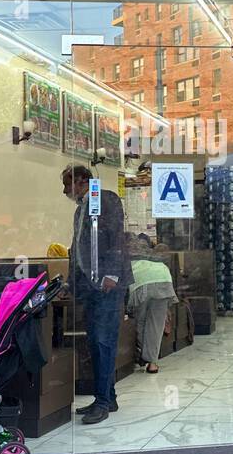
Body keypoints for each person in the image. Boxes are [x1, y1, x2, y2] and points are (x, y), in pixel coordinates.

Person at [61, 164, 131, 424]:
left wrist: (111, 274)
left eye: (67, 184)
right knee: (96, 341)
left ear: (81, 181)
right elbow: (77, 248)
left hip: (107, 284)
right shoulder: (82, 209)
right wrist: (71, 282)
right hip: (90, 286)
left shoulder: (106, 199)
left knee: (103, 341)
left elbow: (116, 238)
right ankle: (107, 396)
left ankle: (102, 402)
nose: (64, 190)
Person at [128, 235, 176, 374]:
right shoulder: (152, 254)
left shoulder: (127, 255)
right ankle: (152, 362)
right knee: (156, 324)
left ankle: (145, 357)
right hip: (163, 278)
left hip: (142, 283)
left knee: (140, 322)